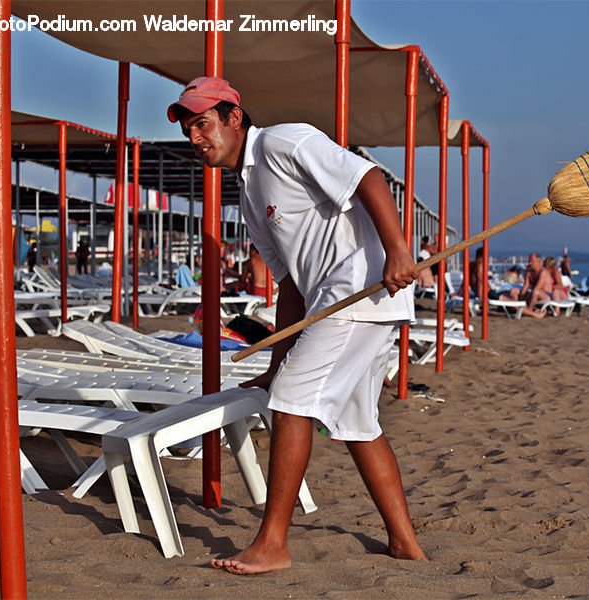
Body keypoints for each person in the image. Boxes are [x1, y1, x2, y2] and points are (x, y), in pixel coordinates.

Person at [167, 76, 426, 573]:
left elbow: (367, 176)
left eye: (203, 124)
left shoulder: (285, 141)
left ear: (233, 117)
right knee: (357, 425)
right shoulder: (246, 193)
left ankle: (272, 544)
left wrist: (397, 250)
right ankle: (404, 543)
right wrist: (275, 362)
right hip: (334, 303)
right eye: (189, 130)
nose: (196, 138)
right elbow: (289, 285)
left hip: (360, 292)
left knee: (290, 403)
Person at [500, 252, 547, 318]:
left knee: (536, 291)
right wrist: (521, 298)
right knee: (514, 290)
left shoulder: (543, 272)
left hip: (546, 295)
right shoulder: (529, 273)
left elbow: (538, 288)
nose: (530, 263)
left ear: (539, 262)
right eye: (529, 261)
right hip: (534, 294)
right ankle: (518, 309)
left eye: (532, 261)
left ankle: (529, 311)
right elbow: (525, 287)